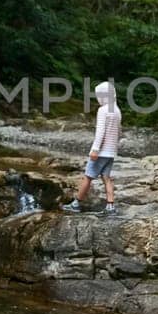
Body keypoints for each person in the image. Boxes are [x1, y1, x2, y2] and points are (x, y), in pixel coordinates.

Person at [63, 80, 121, 215]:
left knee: (87, 177)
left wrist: (95, 149)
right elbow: (119, 131)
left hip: (101, 152)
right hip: (111, 152)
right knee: (107, 178)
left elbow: (100, 132)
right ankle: (110, 206)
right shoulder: (117, 110)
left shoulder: (103, 110)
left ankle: (76, 204)